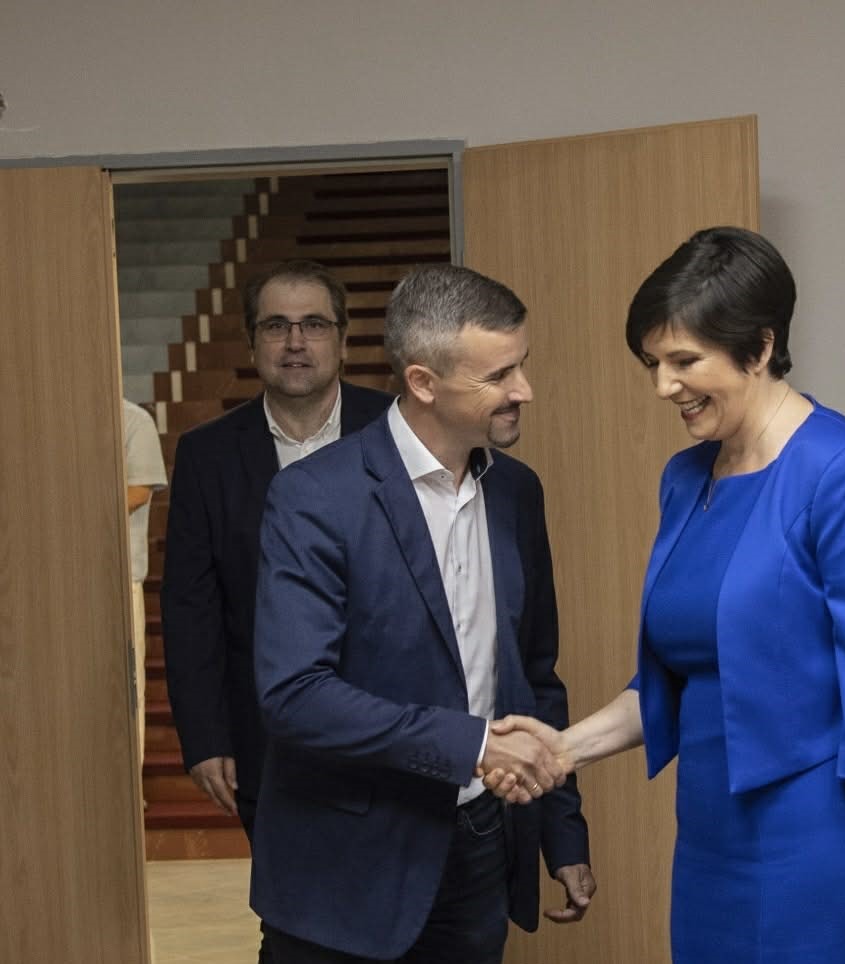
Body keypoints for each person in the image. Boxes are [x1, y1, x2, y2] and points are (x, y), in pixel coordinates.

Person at [485, 226, 845, 964]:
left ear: (759, 348)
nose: (663, 386)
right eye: (653, 364)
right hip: (709, 839)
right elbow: (676, 680)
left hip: (819, 839)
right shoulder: (685, 477)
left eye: (684, 361)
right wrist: (560, 750)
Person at [250, 264, 593, 962]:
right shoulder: (315, 498)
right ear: (423, 383)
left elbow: (534, 674)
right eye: (498, 375)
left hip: (479, 855)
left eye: (521, 365)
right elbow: (296, 695)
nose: (523, 390)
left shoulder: (517, 493)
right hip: (344, 872)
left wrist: (562, 832)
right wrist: (474, 745)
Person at [161, 261, 394, 959]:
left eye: (313, 324)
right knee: (297, 926)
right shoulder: (206, 454)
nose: (295, 342)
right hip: (267, 738)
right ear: (252, 341)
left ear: (342, 340)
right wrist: (205, 736)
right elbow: (191, 604)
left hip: (396, 724)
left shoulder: (400, 431)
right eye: (276, 326)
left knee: (397, 915)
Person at [122, 396, 167, 770]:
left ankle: (129, 785)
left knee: (127, 686)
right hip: (61, 579)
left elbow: (137, 492)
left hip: (121, 578)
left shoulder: (133, 421)